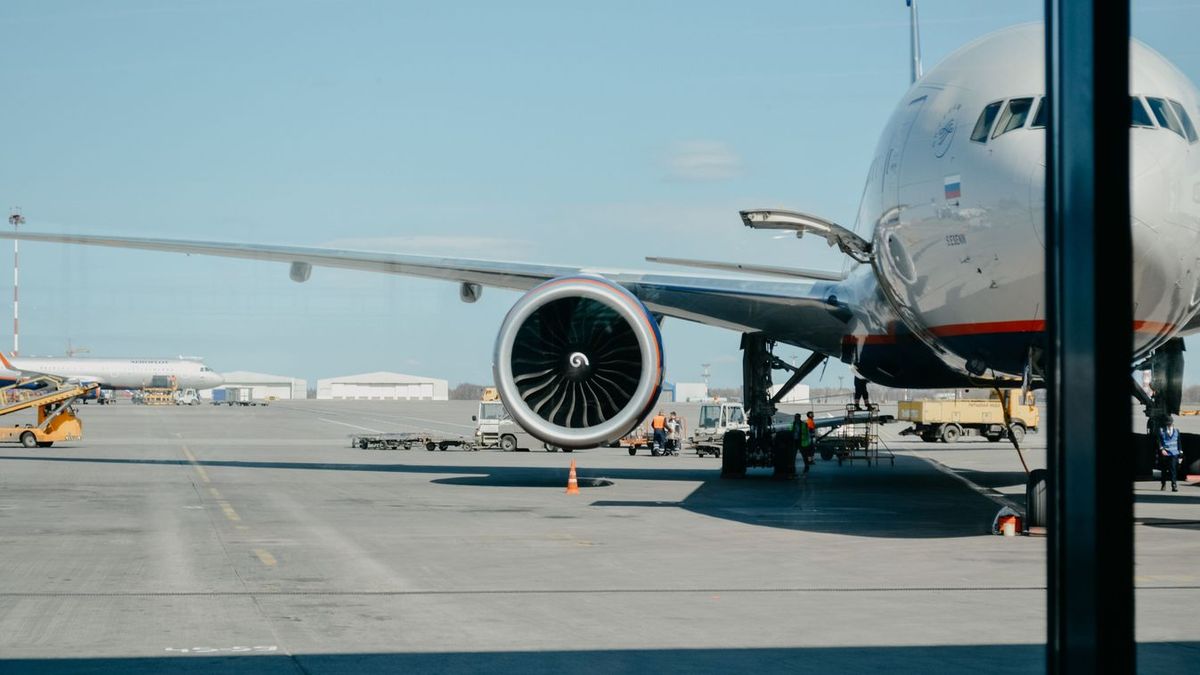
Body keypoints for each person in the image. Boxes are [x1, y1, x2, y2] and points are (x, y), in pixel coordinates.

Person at [1159, 416, 1182, 492]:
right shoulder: (1161, 430)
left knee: (1173, 470)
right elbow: (1159, 441)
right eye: (1167, 424)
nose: (1169, 425)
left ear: (1172, 423)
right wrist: (1162, 449)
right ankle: (1163, 484)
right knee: (1164, 470)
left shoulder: (1176, 431)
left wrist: (1180, 452)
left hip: (1174, 453)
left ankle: (1174, 485)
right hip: (1165, 452)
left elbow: (1179, 442)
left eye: (1170, 424)